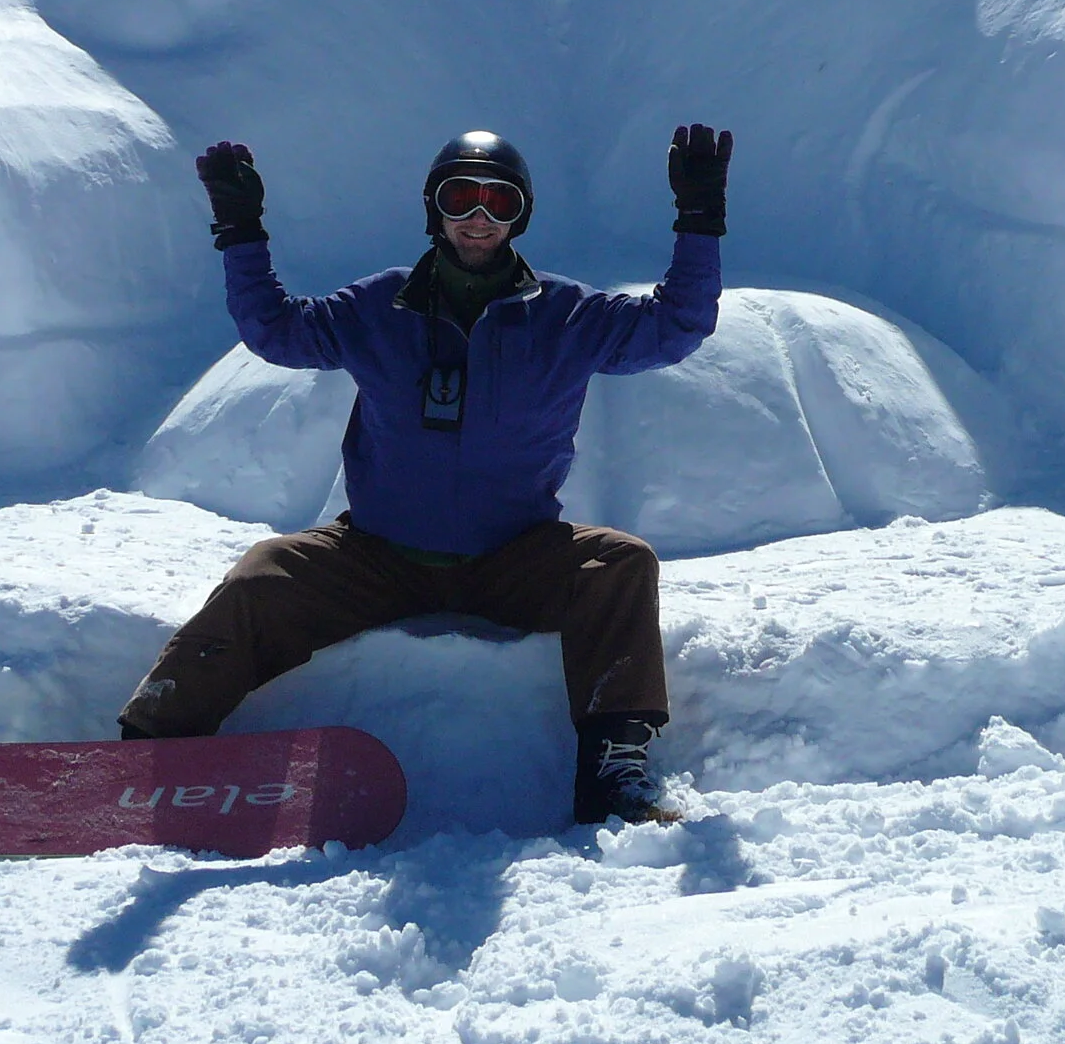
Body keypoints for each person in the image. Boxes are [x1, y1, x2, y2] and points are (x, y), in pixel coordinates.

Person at [116, 124, 732, 824]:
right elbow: (275, 331)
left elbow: (676, 327)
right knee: (265, 572)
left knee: (621, 563)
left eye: (498, 201)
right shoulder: (379, 308)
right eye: (460, 195)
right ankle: (148, 750)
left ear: (519, 215)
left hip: (513, 556)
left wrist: (699, 220)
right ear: (432, 209)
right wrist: (240, 229)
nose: (478, 215)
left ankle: (612, 777)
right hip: (377, 555)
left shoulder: (567, 317)